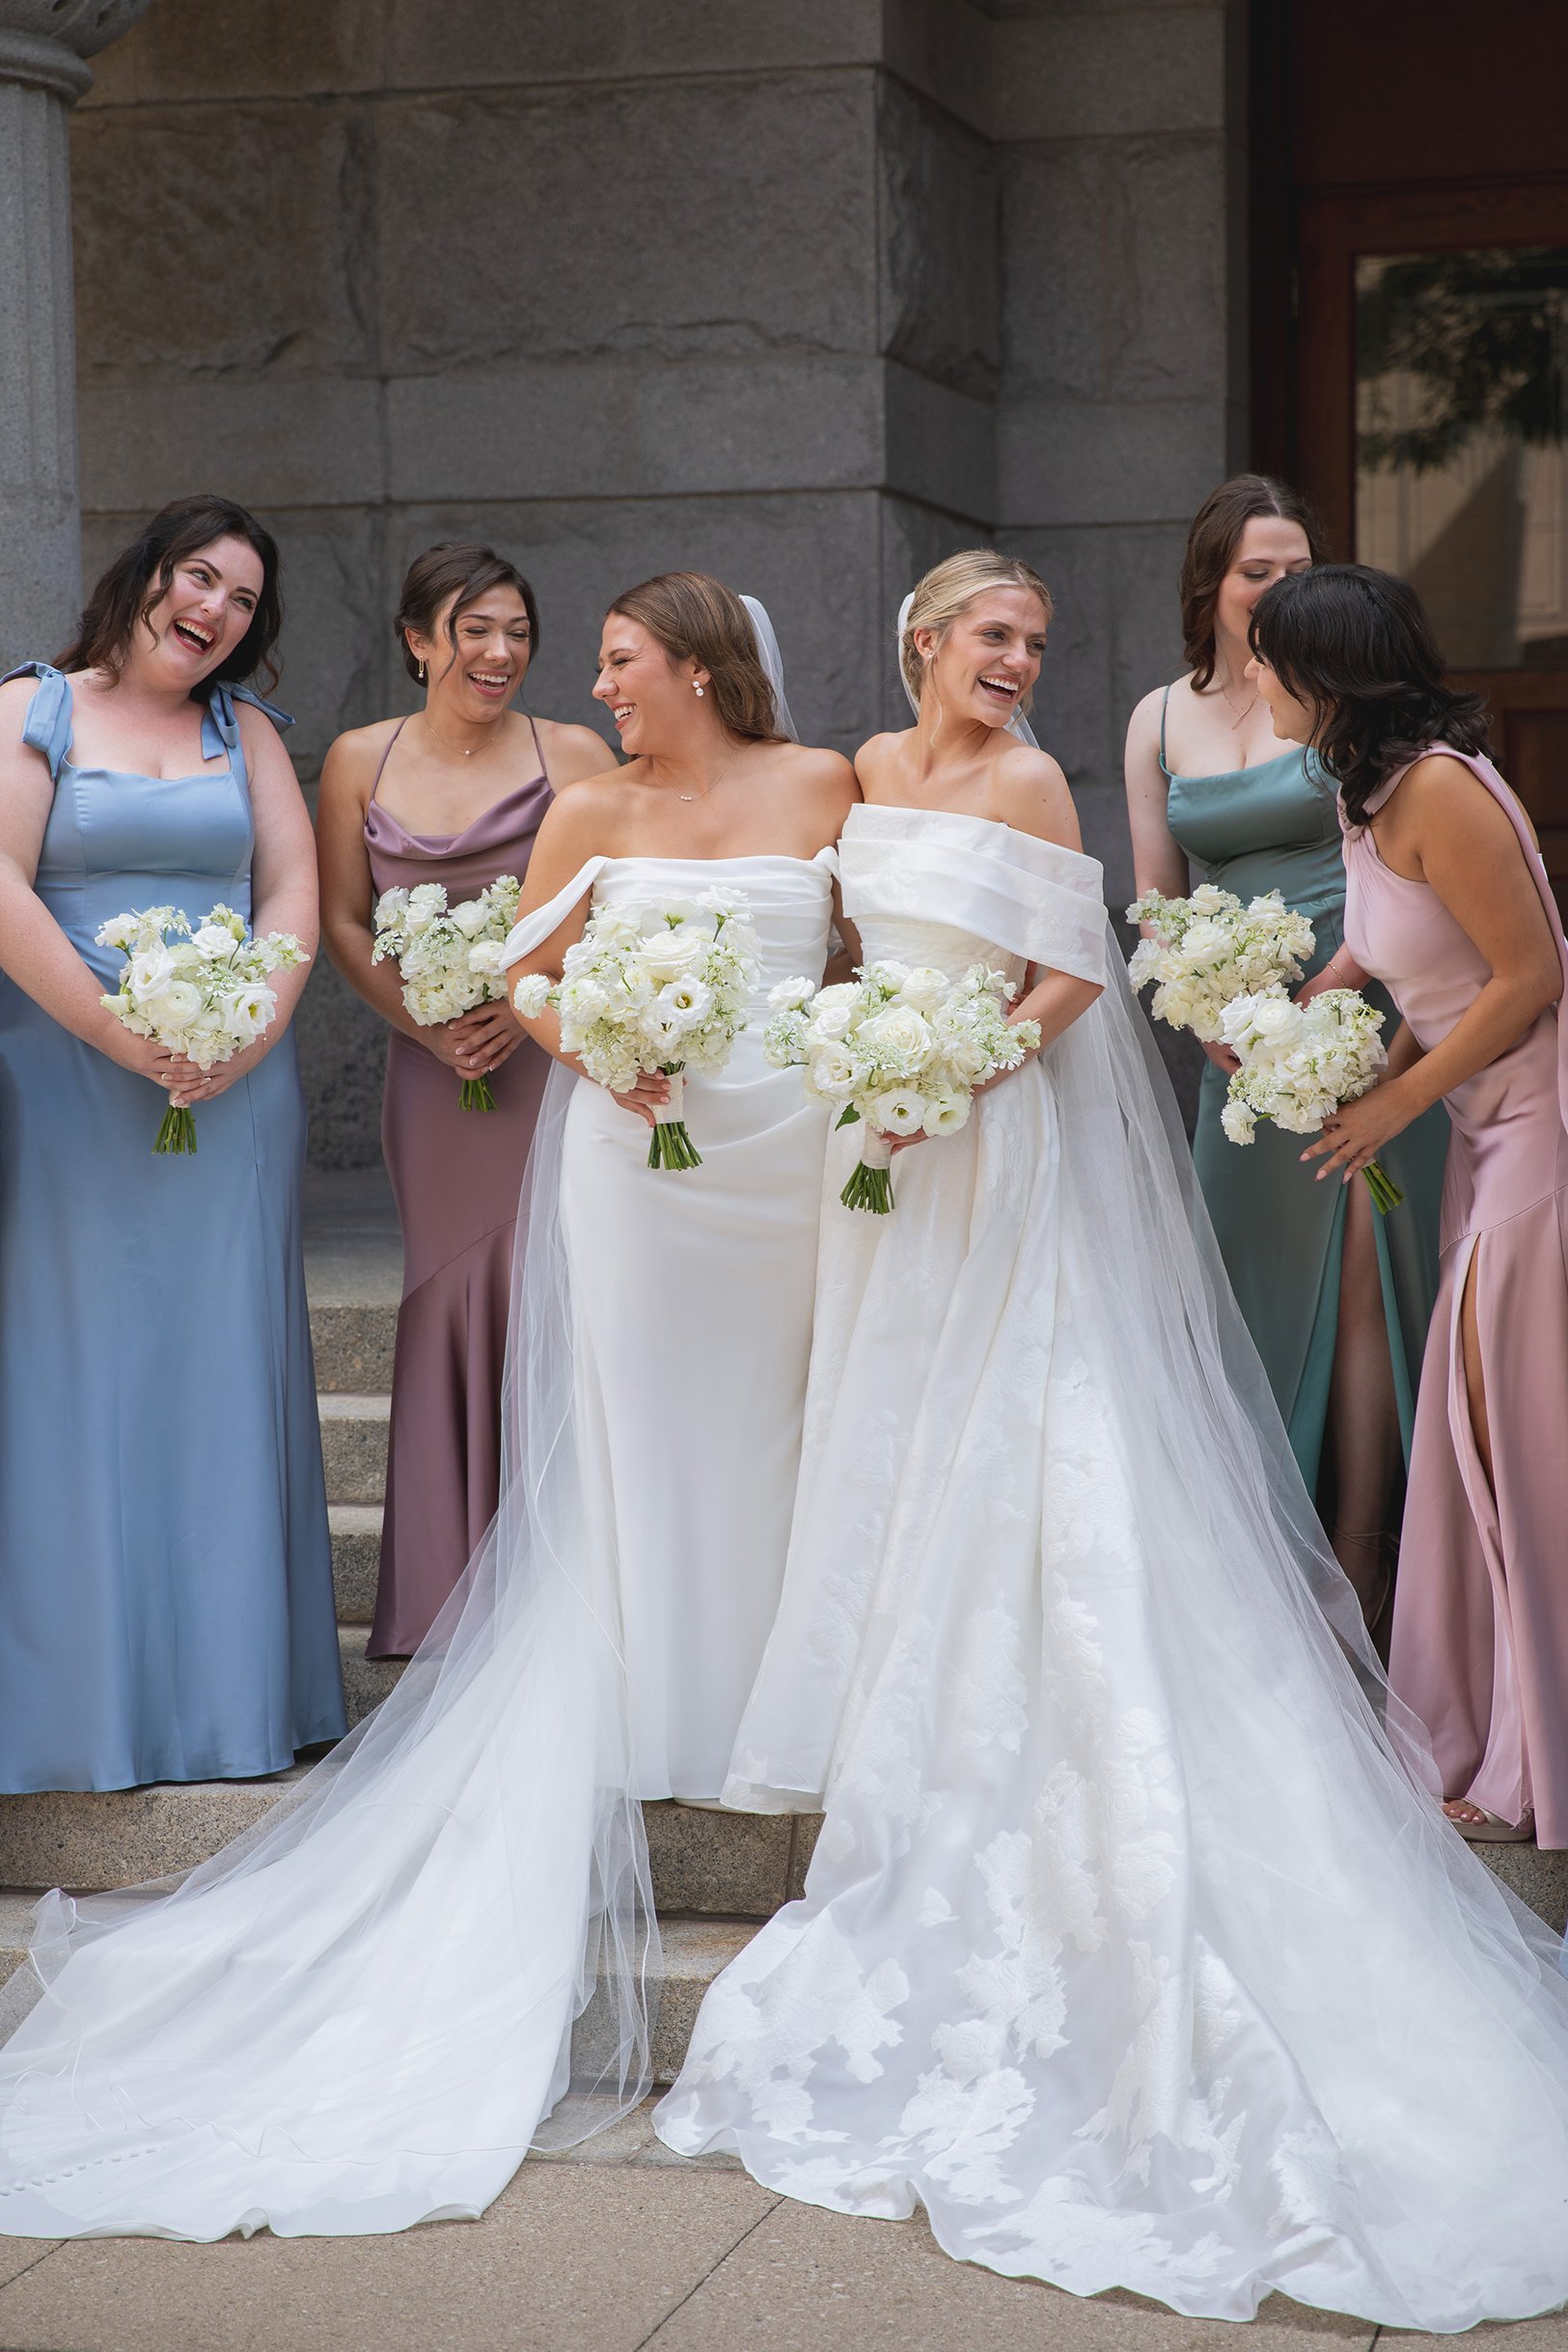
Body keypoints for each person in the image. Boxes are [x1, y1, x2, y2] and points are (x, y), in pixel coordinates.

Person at [656, 551, 1568, 2332]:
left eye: (1037, 641)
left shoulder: (1338, 789)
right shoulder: (877, 766)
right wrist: (863, 1050)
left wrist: (967, 1066)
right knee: (894, 1408)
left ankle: (1509, 1730)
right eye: (994, 634)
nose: (1019, 662)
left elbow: (1083, 960)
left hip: (1033, 1129)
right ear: (920, 641)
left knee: (1394, 1443)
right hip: (890, 1139)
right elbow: (849, 932)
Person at [0, 576, 858, 2237]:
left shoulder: (825, 781)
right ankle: (645, 1696)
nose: (587, 679)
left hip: (780, 1151)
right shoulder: (587, 803)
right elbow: (534, 975)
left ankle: (777, 1686)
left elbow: (860, 947)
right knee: (636, 1432)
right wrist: (600, 1043)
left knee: (781, 1418)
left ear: (695, 666)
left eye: (614, 656)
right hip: (638, 1144)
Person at [0, 494, 344, 1791]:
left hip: (231, 1091)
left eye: (242, 601)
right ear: (145, 575)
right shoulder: (33, 707)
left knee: (217, 1368)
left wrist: (246, 1034)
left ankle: (230, 1697)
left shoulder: (241, 729)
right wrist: (115, 1032)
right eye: (198, 578)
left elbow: (292, 889)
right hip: (66, 1080)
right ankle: (79, 1703)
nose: (212, 611)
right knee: (76, 1368)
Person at [1252, 563, 1568, 1849]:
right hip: (1480, 1132)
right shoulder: (1363, 791)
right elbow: (1405, 971)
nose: (1257, 678)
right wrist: (1341, 1061)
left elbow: (1528, 975)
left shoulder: (1438, 786)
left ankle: (1532, 1756)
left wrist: (1393, 1103)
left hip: (1543, 1131)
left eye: (1272, 658)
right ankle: (1490, 1726)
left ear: (1329, 675)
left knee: (1516, 1438)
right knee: (1483, 1435)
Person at [1124, 477, 1445, 1625]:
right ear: (1208, 583)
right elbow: (1155, 898)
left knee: (1363, 1291)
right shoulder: (1157, 717)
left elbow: (1397, 845)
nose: (1276, 589)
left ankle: (1365, 1561)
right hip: (1236, 1055)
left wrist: (1344, 987)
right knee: (1239, 1292)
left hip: (1363, 1013)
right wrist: (1199, 1005)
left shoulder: (1339, 697)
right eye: (1255, 570)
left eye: (1295, 568)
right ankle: (1256, 1566)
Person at [317, 542, 608, 1656]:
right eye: (474, 629)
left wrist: (526, 1003)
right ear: (418, 639)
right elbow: (345, 919)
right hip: (425, 1070)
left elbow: (611, 896)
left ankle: (554, 1579)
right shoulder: (356, 758)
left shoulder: (574, 751)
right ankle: (442, 1592)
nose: (498, 653)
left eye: (517, 633)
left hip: (542, 1062)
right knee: (444, 1291)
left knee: (553, 1282)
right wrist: (423, 1024)